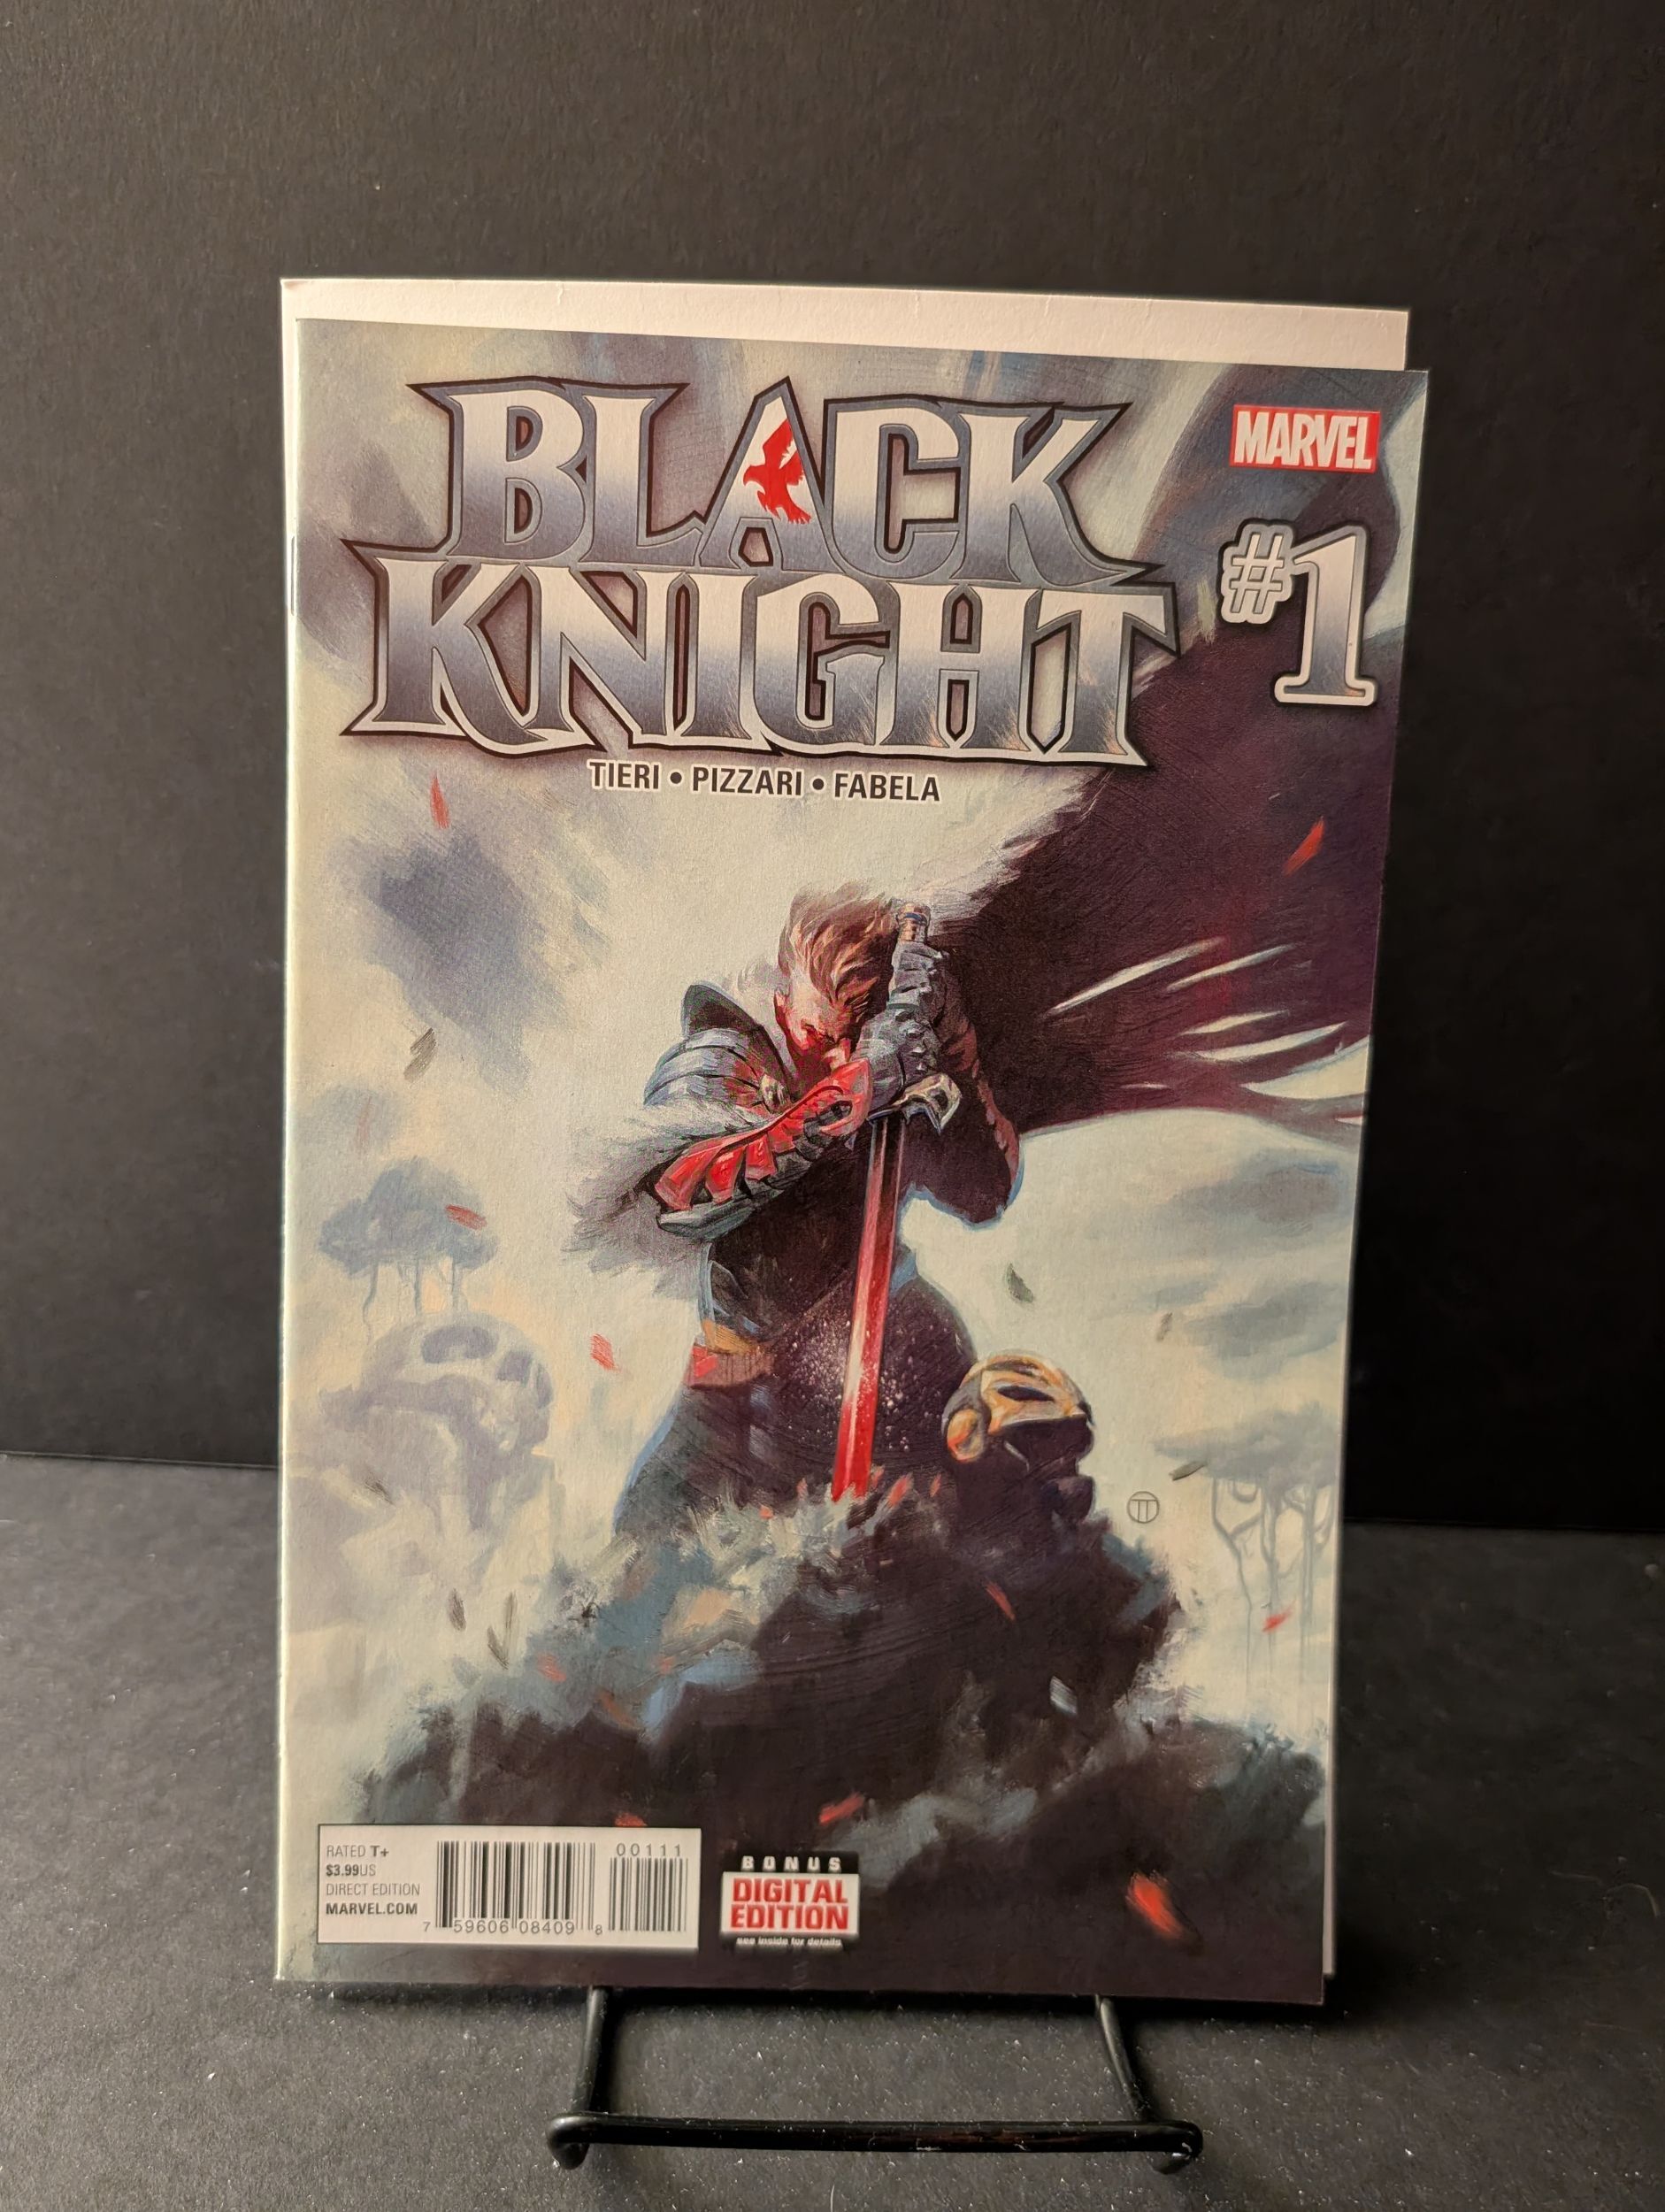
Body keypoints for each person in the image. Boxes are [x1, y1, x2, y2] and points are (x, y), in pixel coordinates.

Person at [613, 888, 1018, 1540]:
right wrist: (859, 1083)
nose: (836, 1057)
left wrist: (952, 1042)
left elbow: (984, 1193)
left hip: (902, 1357)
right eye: (820, 1037)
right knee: (647, 1552)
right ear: (784, 1004)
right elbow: (685, 1193)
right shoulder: (726, 1059)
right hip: (747, 1391)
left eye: (853, 1041)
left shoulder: (903, 1045)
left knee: (966, 1542)